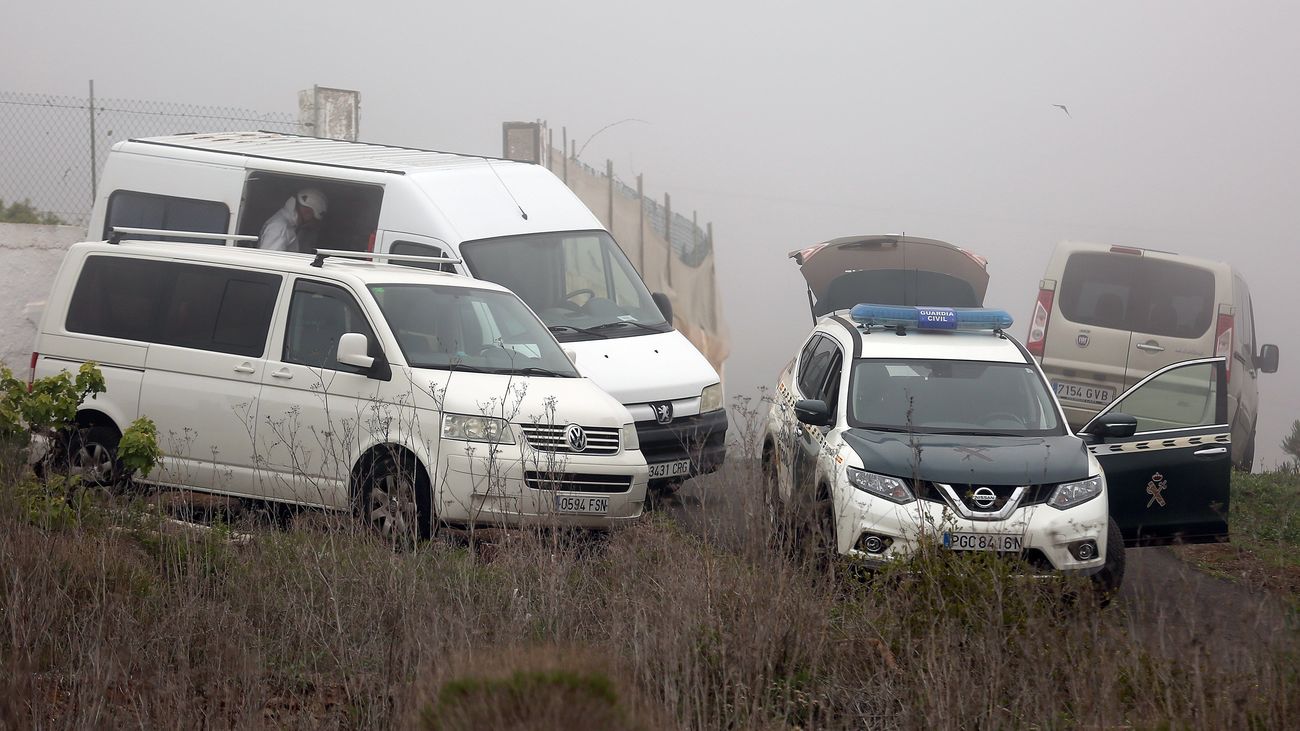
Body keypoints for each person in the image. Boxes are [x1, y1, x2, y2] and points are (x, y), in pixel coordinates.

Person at [259, 188, 328, 252]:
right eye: (314, 219)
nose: (313, 224)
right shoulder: (279, 228)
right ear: (307, 212)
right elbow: (271, 261)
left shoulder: (288, 225)